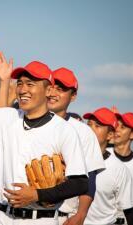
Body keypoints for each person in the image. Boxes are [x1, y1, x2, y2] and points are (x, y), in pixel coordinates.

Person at [0, 51, 89, 225]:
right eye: (20, 83)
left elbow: (80, 184)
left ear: (48, 90)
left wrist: (37, 195)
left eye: (30, 84)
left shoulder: (64, 130)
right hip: (2, 217)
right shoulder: (9, 118)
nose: (23, 89)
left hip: (40, 220)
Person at [46, 67, 105, 225]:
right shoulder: (29, 122)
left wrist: (81, 214)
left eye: (60, 89)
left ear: (73, 96)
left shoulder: (83, 132)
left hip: (63, 214)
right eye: (50, 87)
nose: (52, 93)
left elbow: (90, 177)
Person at [82, 107, 133, 225]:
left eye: (97, 126)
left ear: (110, 135)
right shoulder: (72, 157)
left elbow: (131, 211)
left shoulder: (119, 169)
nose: (90, 129)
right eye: (89, 124)